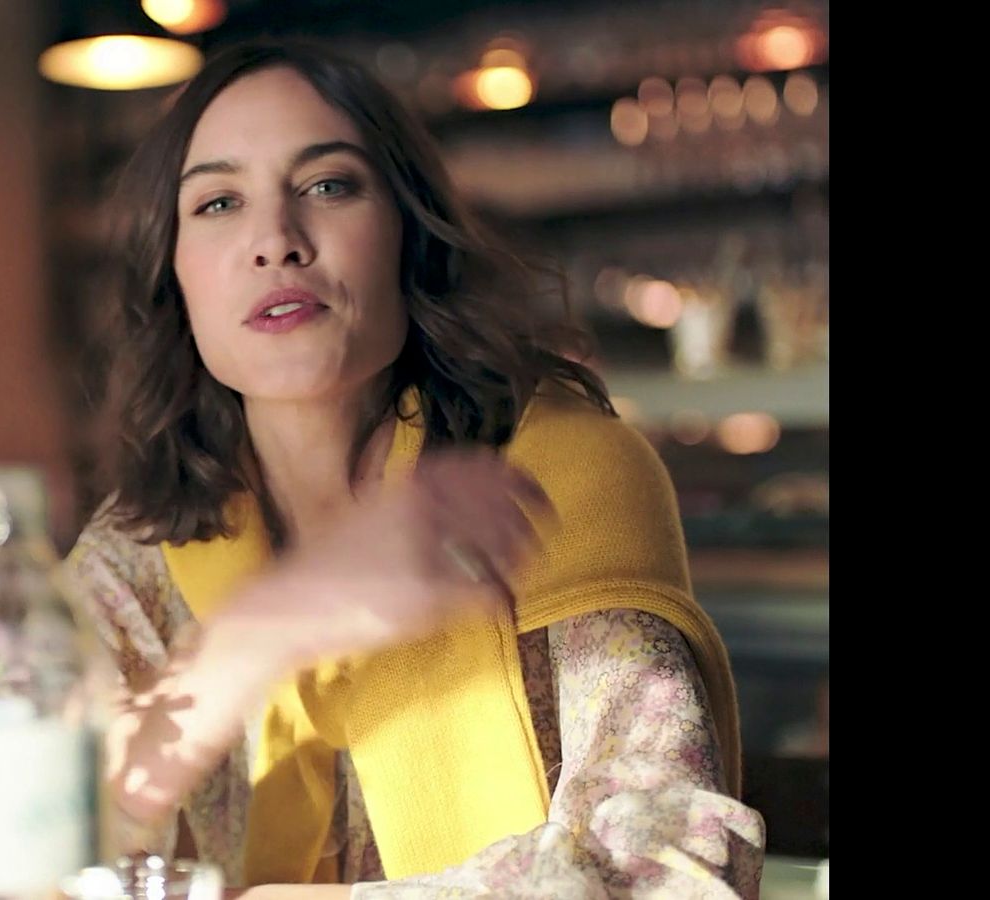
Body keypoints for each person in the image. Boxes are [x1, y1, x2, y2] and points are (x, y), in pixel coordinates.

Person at [58, 39, 765, 898]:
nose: (275, 241)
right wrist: (257, 638)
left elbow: (660, 873)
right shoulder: (143, 546)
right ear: (176, 277)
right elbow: (22, 839)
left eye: (328, 186)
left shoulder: (559, 481)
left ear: (408, 234)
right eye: (217, 203)